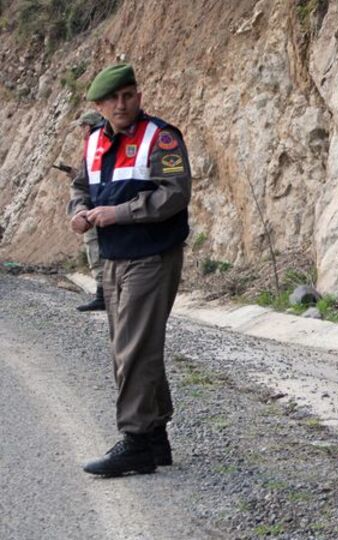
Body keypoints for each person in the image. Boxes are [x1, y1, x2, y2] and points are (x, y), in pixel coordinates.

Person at [67, 63, 192, 476]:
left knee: (133, 349)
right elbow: (80, 187)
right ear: (99, 105)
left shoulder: (162, 137)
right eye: (112, 99)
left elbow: (173, 195)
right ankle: (155, 437)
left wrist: (118, 213)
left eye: (128, 95)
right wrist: (79, 212)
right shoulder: (93, 143)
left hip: (152, 256)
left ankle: (136, 439)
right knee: (130, 346)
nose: (122, 104)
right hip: (112, 260)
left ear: (139, 96)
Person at [57, 111, 107, 311]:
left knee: (95, 247)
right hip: (93, 205)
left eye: (83, 126)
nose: (81, 131)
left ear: (90, 126)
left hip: (97, 206)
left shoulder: (99, 144)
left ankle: (104, 295)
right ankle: (104, 294)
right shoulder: (97, 144)